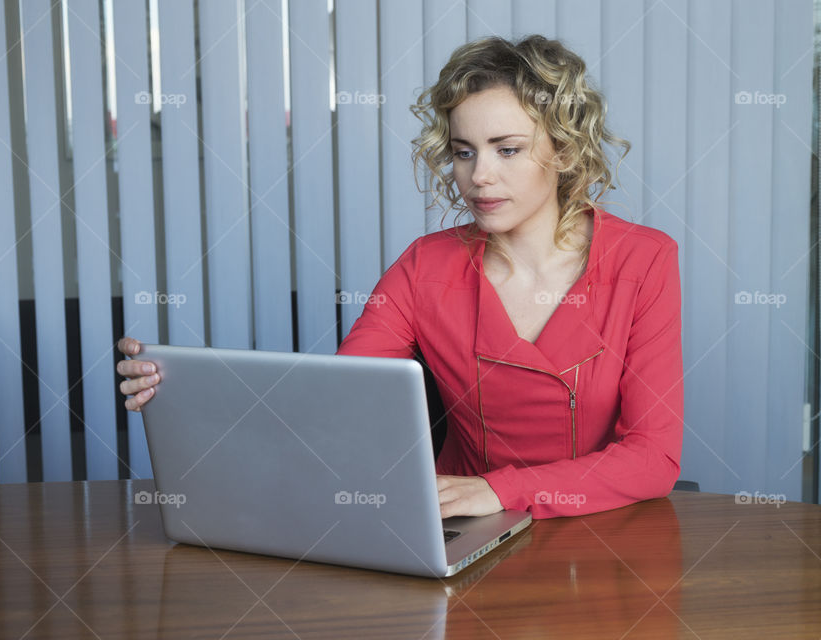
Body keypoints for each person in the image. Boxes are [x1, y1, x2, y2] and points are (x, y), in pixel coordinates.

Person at [116, 34, 684, 520]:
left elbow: (654, 458)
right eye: (464, 152)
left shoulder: (645, 260)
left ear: (563, 151)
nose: (479, 177)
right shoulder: (425, 265)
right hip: (452, 525)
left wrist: (500, 488)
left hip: (600, 530)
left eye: (507, 150)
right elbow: (340, 403)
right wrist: (188, 396)